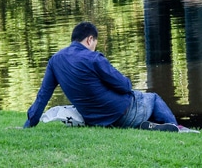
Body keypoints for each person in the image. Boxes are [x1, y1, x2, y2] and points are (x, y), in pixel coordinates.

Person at [24, 21, 190, 132]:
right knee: (152, 99)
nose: (94, 47)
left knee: (138, 102)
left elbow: (42, 96)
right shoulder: (93, 58)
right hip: (121, 113)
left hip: (94, 119)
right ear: (90, 39)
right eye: (95, 44)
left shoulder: (55, 61)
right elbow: (125, 86)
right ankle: (177, 128)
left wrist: (29, 124)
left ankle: (152, 125)